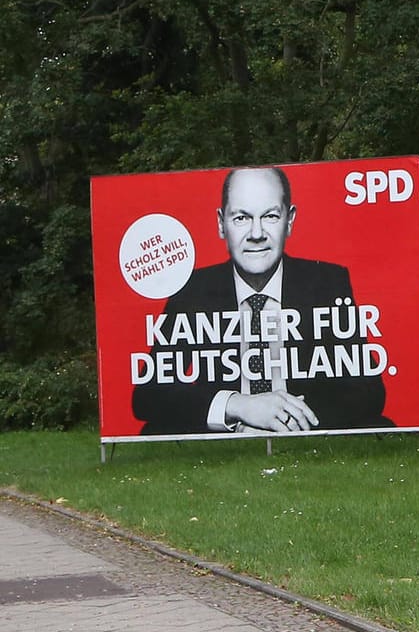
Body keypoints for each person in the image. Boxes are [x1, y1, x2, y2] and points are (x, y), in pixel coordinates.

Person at [132, 166, 389, 435]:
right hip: (225, 433)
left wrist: (285, 418)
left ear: (289, 221)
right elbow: (148, 396)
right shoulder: (192, 290)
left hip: (303, 426)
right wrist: (237, 407)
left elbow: (368, 390)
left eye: (270, 216)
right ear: (222, 224)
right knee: (153, 430)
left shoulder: (326, 283)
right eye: (241, 218)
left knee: (380, 428)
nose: (256, 234)